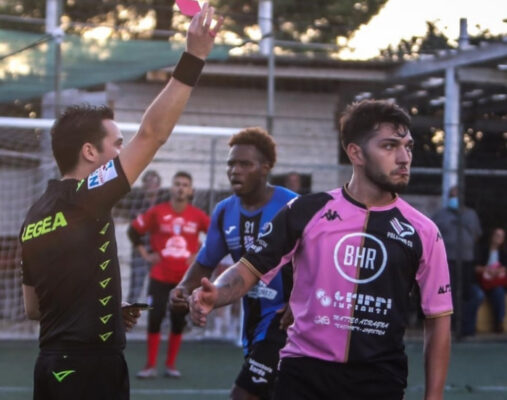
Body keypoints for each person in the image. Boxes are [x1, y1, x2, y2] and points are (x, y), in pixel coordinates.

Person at [19, 6, 222, 400]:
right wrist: (195, 55)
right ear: (90, 152)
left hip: (51, 365)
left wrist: (105, 309)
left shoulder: (34, 215)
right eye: (116, 144)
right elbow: (153, 133)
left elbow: (34, 308)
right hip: (89, 369)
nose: (122, 152)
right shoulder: (87, 195)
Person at [189, 100, 453, 400]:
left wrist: (434, 397)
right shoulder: (305, 211)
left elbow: (438, 319)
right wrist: (217, 293)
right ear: (356, 153)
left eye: (408, 147)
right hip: (304, 376)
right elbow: (248, 269)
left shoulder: (423, 231)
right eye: (390, 146)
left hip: (380, 380)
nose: (404, 158)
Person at [170, 127, 298, 400]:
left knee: (243, 394)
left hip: (285, 324)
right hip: (252, 324)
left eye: (245, 164)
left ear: (265, 168)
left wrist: (304, 299)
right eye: (231, 164)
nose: (235, 171)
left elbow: (320, 260)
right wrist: (183, 289)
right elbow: (205, 261)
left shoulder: (292, 206)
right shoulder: (224, 211)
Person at [129, 171, 210, 379]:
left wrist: (198, 255)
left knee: (177, 320)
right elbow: (133, 231)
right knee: (154, 318)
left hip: (184, 280)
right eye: (177, 184)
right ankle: (150, 366)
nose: (181, 188)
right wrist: (146, 254)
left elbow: (215, 236)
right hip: (159, 276)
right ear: (171, 188)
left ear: (191, 191)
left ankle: (171, 365)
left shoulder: (198, 215)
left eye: (185, 185)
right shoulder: (157, 212)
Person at [433, 185, 483, 335]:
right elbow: (432, 235)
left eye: (457, 196)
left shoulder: (471, 214)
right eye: (452, 196)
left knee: (467, 293)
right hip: (447, 260)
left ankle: (466, 327)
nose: (454, 199)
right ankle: (451, 326)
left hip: (466, 260)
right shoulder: (441, 215)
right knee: (449, 293)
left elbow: (477, 235)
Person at [123, 170, 164, 304]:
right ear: (144, 185)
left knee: (157, 289)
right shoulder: (137, 204)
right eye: (148, 183)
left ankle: (156, 315)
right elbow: (133, 231)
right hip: (140, 252)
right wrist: (145, 254)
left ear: (159, 186)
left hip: (159, 253)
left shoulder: (163, 204)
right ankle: (128, 314)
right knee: (136, 288)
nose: (151, 185)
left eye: (154, 183)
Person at [475, 227, 507, 333]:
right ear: (492, 236)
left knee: (499, 292)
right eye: (497, 235)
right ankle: (470, 326)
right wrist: (487, 270)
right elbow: (475, 267)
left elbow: (505, 268)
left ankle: (499, 323)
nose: (499, 238)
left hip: (495, 284)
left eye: (501, 236)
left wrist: (498, 271)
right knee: (477, 294)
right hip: (481, 282)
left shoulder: (503, 253)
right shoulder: (482, 250)